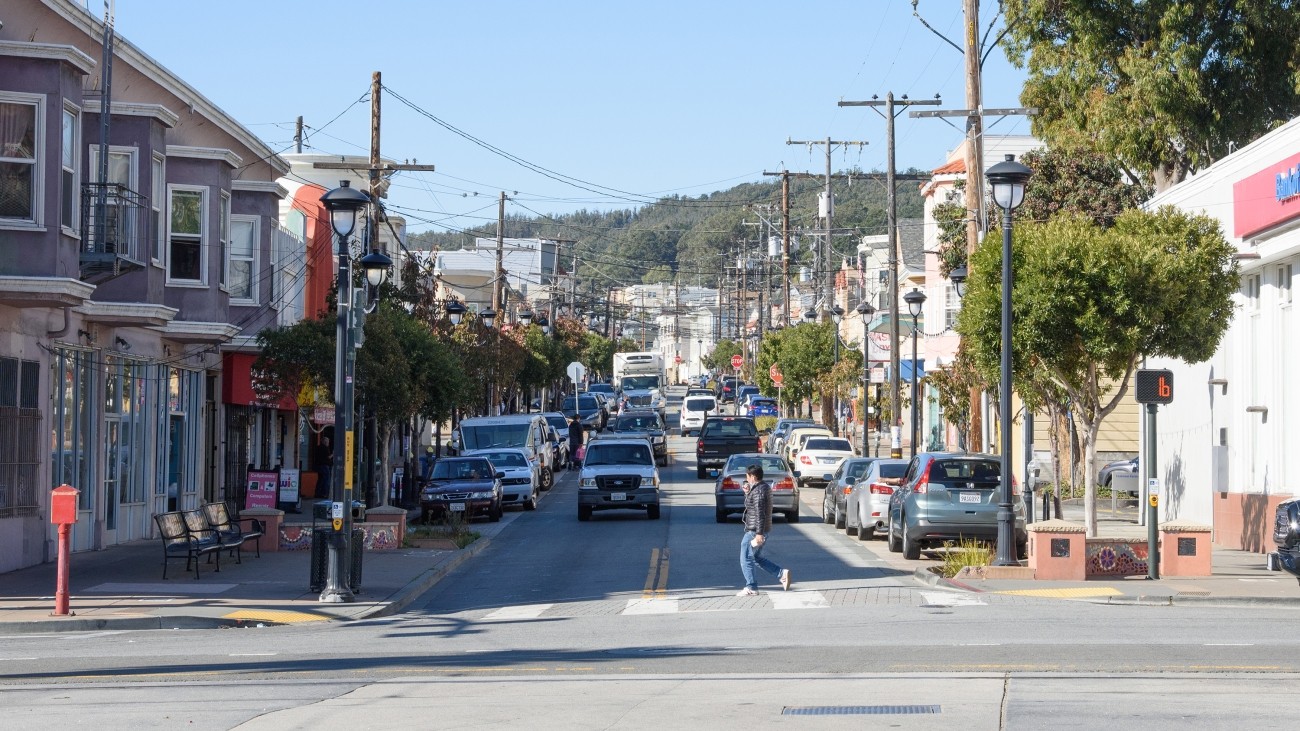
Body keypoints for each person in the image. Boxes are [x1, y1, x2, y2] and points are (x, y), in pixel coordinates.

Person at [738, 464, 791, 596]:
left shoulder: (759, 491)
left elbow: (760, 513)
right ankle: (781, 574)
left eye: (748, 476)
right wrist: (748, 492)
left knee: (745, 558)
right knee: (755, 557)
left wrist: (759, 534)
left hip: (755, 530)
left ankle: (751, 587)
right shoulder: (762, 488)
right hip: (761, 529)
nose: (746, 479)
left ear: (753, 476)